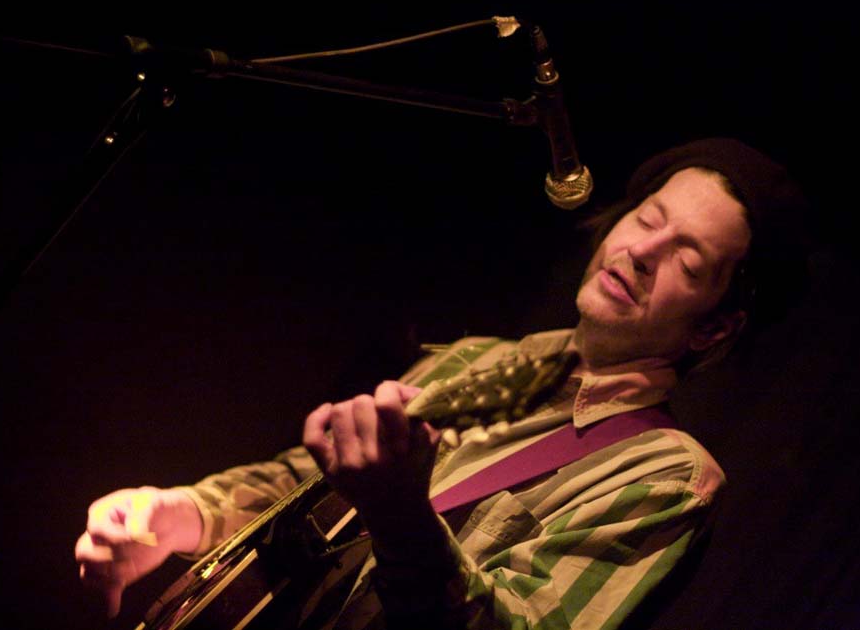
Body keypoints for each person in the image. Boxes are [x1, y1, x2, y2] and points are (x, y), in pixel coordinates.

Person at [75, 137, 811, 629]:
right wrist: (178, 514)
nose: (643, 249)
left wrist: (400, 513)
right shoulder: (474, 359)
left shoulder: (668, 477)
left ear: (714, 327)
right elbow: (306, 485)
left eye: (687, 261)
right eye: (648, 218)